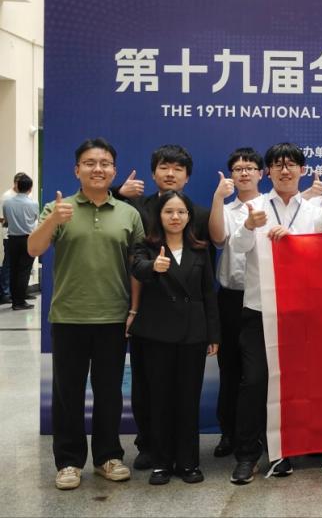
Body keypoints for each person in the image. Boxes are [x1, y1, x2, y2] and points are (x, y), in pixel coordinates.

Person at [28, 138, 145, 490]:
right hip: (69, 316)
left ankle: (108, 456)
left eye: (105, 163)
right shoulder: (57, 207)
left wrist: (134, 308)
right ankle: (68, 461)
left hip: (112, 316)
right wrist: (53, 220)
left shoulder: (128, 213)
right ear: (77, 169)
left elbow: (136, 265)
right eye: (90, 163)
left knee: (109, 391)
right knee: (68, 393)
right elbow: (34, 248)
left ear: (114, 170)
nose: (98, 169)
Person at [228, 143, 322, 484]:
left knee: (300, 381)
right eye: (277, 165)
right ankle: (248, 455)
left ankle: (291, 449)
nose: (285, 171)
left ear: (303, 170)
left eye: (291, 165)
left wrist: (317, 229)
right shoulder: (255, 206)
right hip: (259, 310)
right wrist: (248, 227)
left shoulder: (315, 210)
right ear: (268, 172)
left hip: (302, 313)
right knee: (255, 381)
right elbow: (236, 248)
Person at [116, 144, 215, 471]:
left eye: (177, 169)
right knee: (147, 387)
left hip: (188, 324)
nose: (170, 174)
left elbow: (205, 279)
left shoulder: (200, 215)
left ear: (187, 176)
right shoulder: (136, 207)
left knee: (185, 392)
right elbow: (135, 262)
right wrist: (134, 309)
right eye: (163, 167)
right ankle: (149, 447)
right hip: (150, 315)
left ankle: (183, 456)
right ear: (153, 172)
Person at [130, 191, 219, 485]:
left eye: (181, 212)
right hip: (157, 334)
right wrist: (153, 267)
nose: (175, 217)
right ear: (159, 216)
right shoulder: (147, 246)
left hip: (192, 334)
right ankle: (161, 463)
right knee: (159, 399)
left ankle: (189, 462)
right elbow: (137, 268)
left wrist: (213, 333)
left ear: (189, 216)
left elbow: (208, 293)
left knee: (188, 400)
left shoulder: (199, 249)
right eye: (169, 211)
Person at [207, 148, 264, 459]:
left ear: (261, 174)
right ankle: (228, 432)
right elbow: (217, 239)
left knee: (258, 372)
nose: (244, 173)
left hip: (263, 298)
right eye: (238, 169)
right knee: (229, 369)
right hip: (230, 298)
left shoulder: (269, 206)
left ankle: (260, 434)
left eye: (250, 168)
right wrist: (218, 198)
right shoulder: (226, 209)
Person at [3, 173, 39, 310]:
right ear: (30, 188)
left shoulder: (7, 203)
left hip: (12, 239)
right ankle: (20, 301)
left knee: (13, 270)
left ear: (17, 186)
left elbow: (6, 220)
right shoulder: (33, 203)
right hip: (28, 239)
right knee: (24, 270)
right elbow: (35, 218)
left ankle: (14, 301)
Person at [0, 173, 25, 305]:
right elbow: (1, 218)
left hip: (23, 235)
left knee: (21, 266)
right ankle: (5, 293)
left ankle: (18, 293)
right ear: (15, 183)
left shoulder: (24, 195)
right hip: (10, 236)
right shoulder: (7, 197)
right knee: (9, 264)